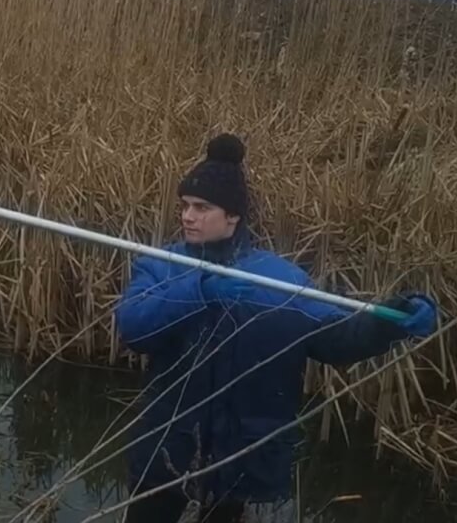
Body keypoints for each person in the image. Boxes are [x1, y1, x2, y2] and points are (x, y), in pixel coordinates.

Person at [115, 133, 437, 523]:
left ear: (232, 216)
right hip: (167, 453)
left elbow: (335, 339)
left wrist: (391, 322)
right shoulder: (160, 265)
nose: (187, 216)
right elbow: (133, 328)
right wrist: (198, 289)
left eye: (202, 207)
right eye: (185, 206)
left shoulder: (280, 279)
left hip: (245, 460)